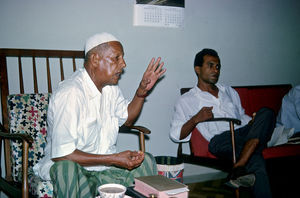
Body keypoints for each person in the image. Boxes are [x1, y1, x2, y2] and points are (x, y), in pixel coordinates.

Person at [33, 32, 166, 197]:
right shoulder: (71, 93)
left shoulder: (111, 88)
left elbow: (128, 119)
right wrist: (113, 158)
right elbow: (63, 155)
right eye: (116, 58)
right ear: (95, 59)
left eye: (122, 58)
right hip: (76, 173)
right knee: (65, 169)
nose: (123, 64)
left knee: (146, 160)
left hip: (105, 171)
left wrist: (141, 92)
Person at [170, 48, 275, 198]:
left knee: (266, 112)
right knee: (255, 156)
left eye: (218, 66)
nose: (215, 70)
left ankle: (239, 166)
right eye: (210, 65)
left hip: (244, 135)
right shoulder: (187, 100)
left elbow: (241, 116)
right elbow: (175, 135)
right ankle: (241, 167)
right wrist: (195, 119)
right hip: (221, 141)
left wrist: (254, 121)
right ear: (197, 69)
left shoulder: (229, 91)